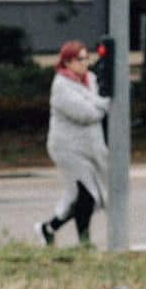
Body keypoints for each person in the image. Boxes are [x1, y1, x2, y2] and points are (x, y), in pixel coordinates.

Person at [41, 40, 108, 246]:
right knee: (87, 193)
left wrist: (99, 105)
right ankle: (84, 241)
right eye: (80, 59)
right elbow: (86, 114)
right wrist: (105, 106)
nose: (85, 62)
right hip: (67, 149)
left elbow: (96, 104)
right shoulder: (61, 86)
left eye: (87, 58)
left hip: (88, 148)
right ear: (68, 62)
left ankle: (49, 228)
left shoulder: (91, 79)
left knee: (82, 196)